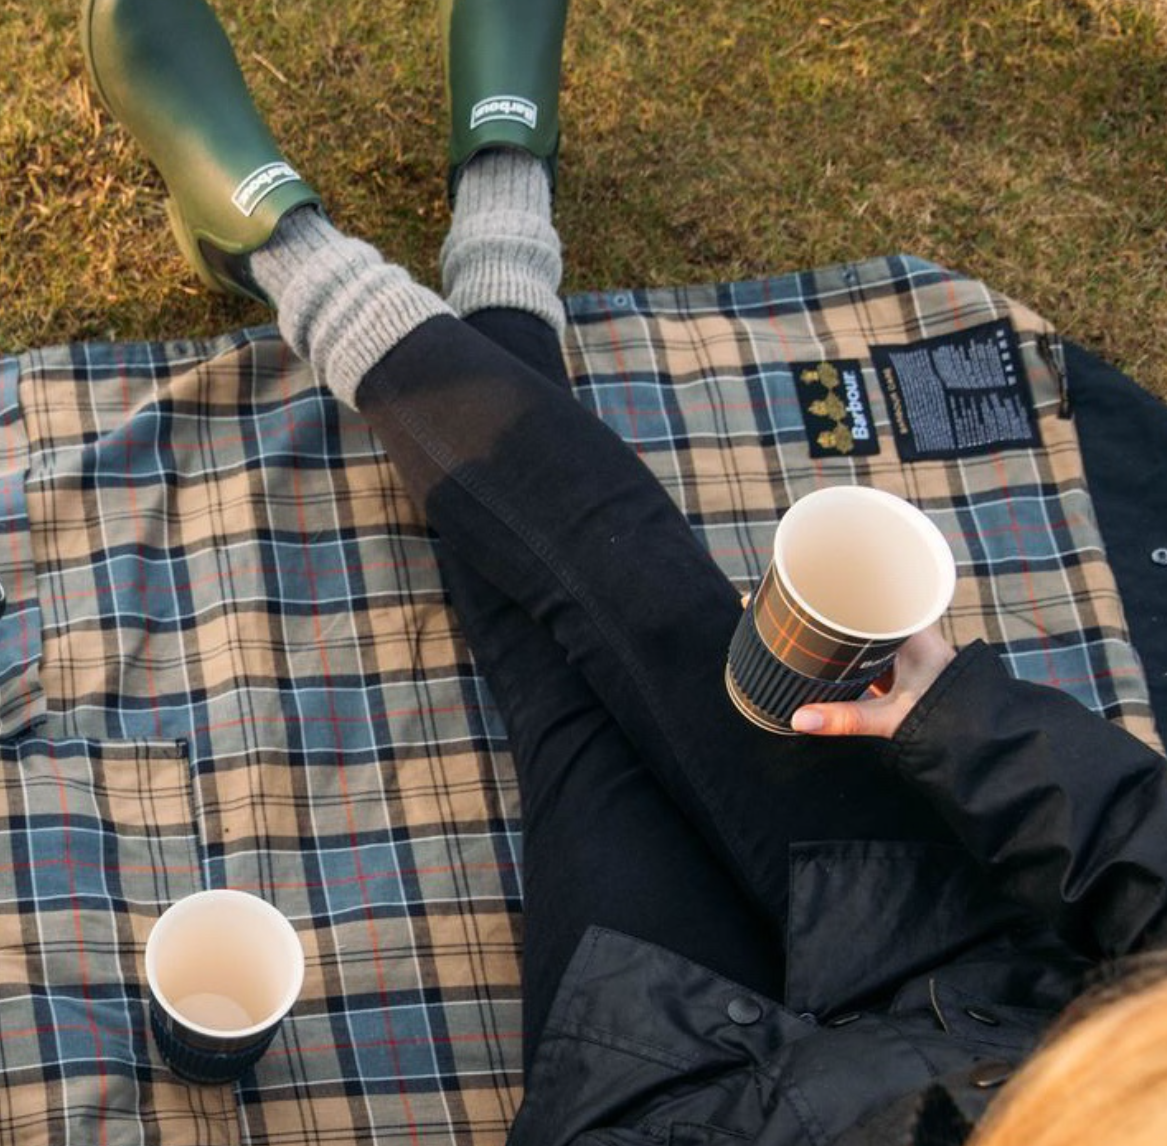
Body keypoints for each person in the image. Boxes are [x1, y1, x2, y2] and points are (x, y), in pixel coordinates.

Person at [81, 1, 1167, 1143]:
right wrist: (967, 725)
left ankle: (314, 235)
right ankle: (452, 218)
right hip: (958, 966)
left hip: (684, 1103)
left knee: (571, 711)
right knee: (643, 595)